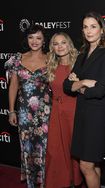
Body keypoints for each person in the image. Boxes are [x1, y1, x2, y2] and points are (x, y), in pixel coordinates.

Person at [63, 11, 105, 188]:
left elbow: (100, 90)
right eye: (85, 27)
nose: (89, 31)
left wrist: (77, 85)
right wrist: (84, 82)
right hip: (83, 114)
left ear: (102, 30)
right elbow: (66, 85)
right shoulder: (82, 54)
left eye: (93, 26)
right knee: (93, 165)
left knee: (86, 165)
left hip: (98, 117)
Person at [5, 24, 51, 188]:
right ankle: (31, 183)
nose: (35, 41)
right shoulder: (18, 59)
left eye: (39, 38)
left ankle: (46, 182)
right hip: (24, 113)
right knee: (27, 148)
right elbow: (13, 86)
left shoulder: (51, 59)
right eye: (31, 37)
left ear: (44, 40)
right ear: (27, 39)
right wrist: (11, 111)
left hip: (45, 113)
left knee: (44, 149)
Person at [45, 32, 82, 188]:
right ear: (52, 47)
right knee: (55, 150)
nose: (59, 46)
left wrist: (79, 82)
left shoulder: (79, 63)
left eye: (63, 42)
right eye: (55, 43)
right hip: (55, 112)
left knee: (73, 149)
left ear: (69, 44)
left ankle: (75, 181)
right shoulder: (50, 65)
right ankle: (59, 182)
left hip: (74, 111)